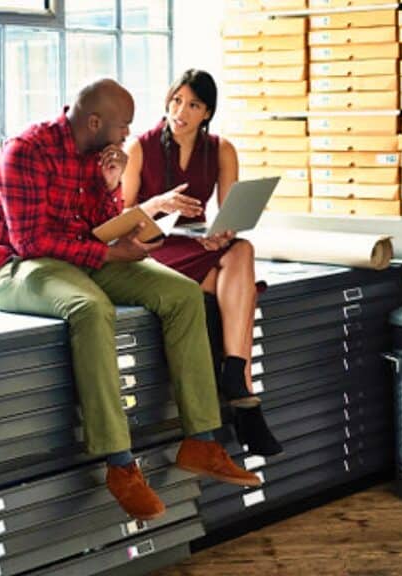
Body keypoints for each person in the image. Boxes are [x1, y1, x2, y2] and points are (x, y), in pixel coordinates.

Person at [0, 78, 260, 521]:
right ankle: (119, 463)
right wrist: (109, 253)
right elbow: (31, 242)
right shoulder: (25, 152)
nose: (127, 135)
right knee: (90, 308)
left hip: (83, 255)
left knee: (182, 293)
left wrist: (109, 187)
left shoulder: (99, 156)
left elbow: (102, 223)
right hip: (19, 267)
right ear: (94, 122)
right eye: (122, 126)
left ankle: (202, 441)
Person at [121, 69, 283, 457]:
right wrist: (158, 205)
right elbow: (125, 217)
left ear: (207, 112)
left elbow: (231, 217)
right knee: (241, 295)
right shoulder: (139, 148)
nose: (181, 111)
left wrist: (220, 234)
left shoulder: (221, 149)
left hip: (196, 243)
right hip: (154, 246)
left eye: (192, 105)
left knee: (241, 249)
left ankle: (234, 375)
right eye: (176, 100)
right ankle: (242, 388)